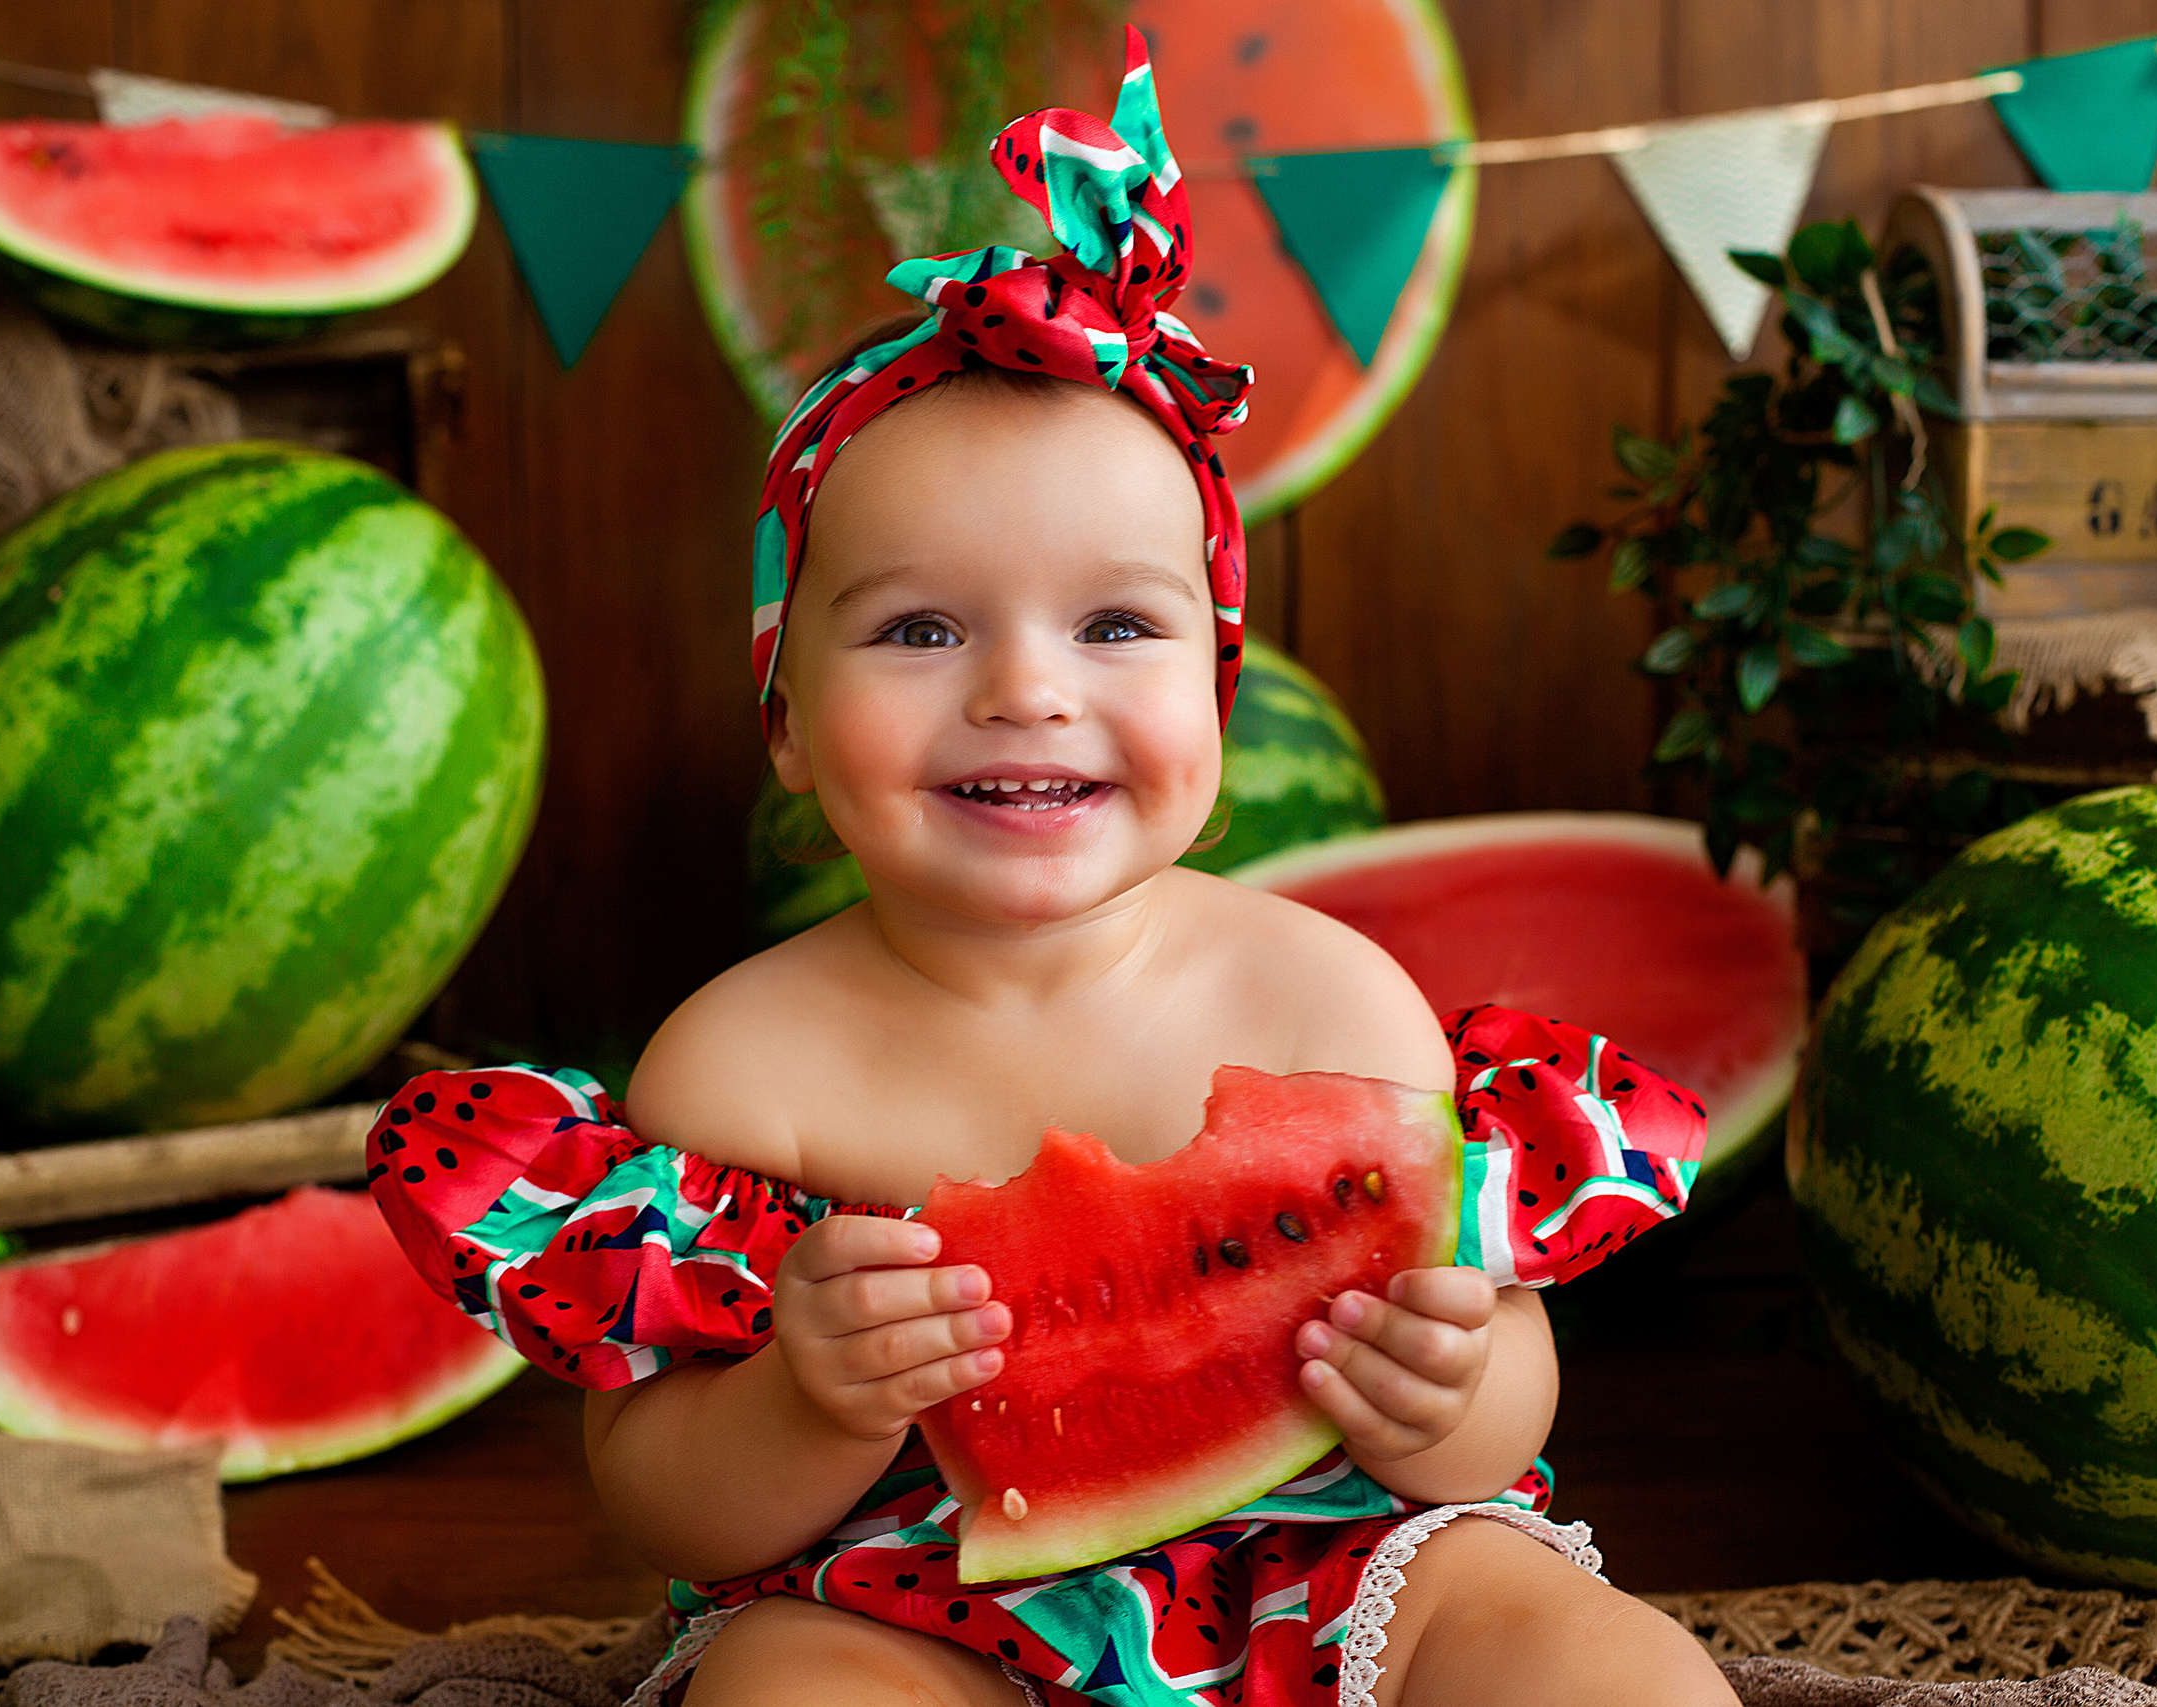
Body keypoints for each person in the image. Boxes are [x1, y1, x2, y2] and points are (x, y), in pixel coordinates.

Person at [367, 30, 1735, 1707]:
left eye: (1116, 626)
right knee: (782, 1690)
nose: (1027, 690)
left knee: (1607, 1665)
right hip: (907, 1599)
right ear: (786, 719)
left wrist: (1454, 1392)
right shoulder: (743, 1070)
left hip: (1336, 1566)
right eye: (921, 630)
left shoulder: (1328, 1000)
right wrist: (803, 1400)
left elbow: (1495, 1385)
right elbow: (666, 1499)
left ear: (1216, 698)